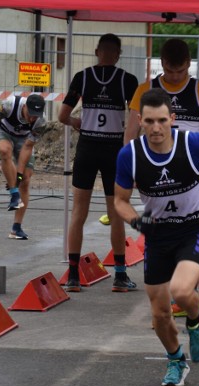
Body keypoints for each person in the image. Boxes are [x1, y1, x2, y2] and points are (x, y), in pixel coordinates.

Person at [114, 88, 199, 386]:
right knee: (160, 314)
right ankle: (176, 360)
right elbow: (120, 201)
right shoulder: (130, 155)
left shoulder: (192, 143)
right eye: (149, 121)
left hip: (193, 228)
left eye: (162, 120)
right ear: (140, 120)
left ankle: (195, 320)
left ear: (173, 118)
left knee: (180, 289)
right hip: (158, 234)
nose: (156, 128)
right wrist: (137, 221)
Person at [124, 38, 199, 331]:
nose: (175, 76)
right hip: (156, 172)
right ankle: (164, 308)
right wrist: (131, 169)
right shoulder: (145, 90)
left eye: (180, 71)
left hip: (194, 174)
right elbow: (130, 135)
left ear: (189, 65)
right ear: (161, 64)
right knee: (160, 233)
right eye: (169, 70)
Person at [58, 33, 139, 292]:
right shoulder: (128, 80)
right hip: (114, 149)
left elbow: (62, 115)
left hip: (87, 148)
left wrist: (76, 122)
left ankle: (72, 275)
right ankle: (120, 275)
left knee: (78, 212)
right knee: (116, 212)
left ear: (96, 51)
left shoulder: (82, 77)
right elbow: (136, 117)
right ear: (118, 54)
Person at [0, 93, 46, 239]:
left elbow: (28, 147)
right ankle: (14, 193)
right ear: (24, 107)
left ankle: (16, 228)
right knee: (5, 151)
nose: (32, 118)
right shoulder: (9, 105)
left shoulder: (40, 122)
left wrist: (20, 174)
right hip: (5, 133)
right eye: (30, 114)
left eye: (36, 116)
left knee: (26, 180)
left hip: (24, 140)